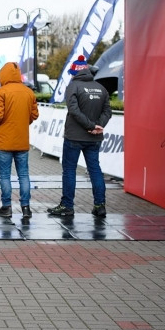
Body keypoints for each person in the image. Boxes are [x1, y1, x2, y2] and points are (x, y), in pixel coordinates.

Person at [48, 55, 113, 218]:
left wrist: (90, 126)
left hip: (74, 137)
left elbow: (73, 110)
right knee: (95, 170)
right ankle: (100, 205)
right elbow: (108, 111)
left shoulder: (73, 86)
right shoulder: (101, 88)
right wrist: (98, 126)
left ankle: (67, 206)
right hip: (95, 138)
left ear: (75, 72)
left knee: (69, 170)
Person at [0, 62, 39, 219]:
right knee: (23, 175)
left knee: (5, 175)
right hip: (22, 140)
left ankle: (7, 207)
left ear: (3, 75)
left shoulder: (1, 92)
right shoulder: (28, 92)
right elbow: (34, 114)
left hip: (5, 141)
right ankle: (26, 208)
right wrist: (24, 122)